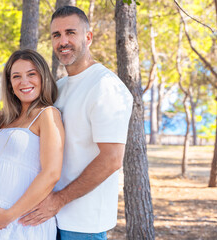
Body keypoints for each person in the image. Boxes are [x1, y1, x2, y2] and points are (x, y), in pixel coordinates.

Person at [18, 6, 133, 240]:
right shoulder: (58, 87)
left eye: (71, 33)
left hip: (83, 223)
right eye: (56, 35)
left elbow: (111, 159)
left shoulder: (105, 86)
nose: (63, 41)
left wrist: (58, 201)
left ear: (88, 37)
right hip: (48, 217)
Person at [0, 49, 64, 239]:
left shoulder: (47, 114)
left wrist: (9, 216)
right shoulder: (7, 118)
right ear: (10, 85)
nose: (24, 82)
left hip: (18, 223)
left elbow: (51, 173)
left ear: (43, 77)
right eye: (16, 76)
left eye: (31, 74)